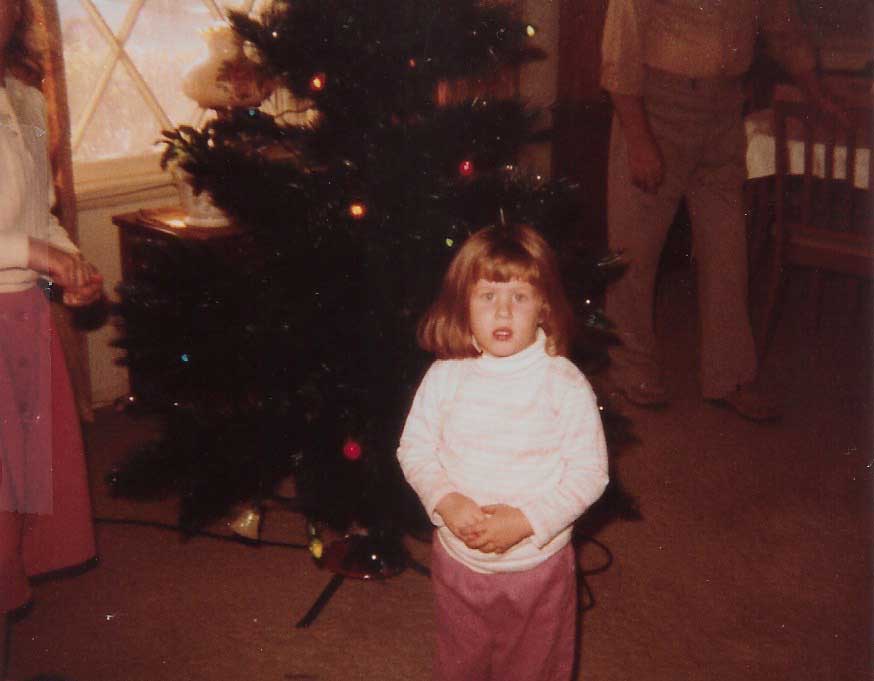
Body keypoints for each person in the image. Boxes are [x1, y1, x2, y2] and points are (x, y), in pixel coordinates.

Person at [600, 0, 843, 420]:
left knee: (728, 249)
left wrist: (817, 94)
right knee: (633, 251)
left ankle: (729, 376)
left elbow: (784, 30)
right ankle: (631, 369)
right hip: (655, 107)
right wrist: (639, 140)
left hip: (724, 110)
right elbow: (618, 55)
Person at [397, 224, 609, 681]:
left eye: (519, 296)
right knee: (460, 661)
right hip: (457, 561)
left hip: (537, 566)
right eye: (487, 296)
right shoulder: (446, 376)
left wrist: (528, 520)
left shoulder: (562, 384)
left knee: (534, 667)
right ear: (462, 305)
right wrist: (445, 500)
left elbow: (589, 473)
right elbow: (414, 446)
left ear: (544, 307)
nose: (503, 311)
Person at [0, 0, 103, 670]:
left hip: (24, 322)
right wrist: (35, 253)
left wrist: (74, 262)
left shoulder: (25, 102)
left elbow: (36, 211)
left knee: (18, 511)